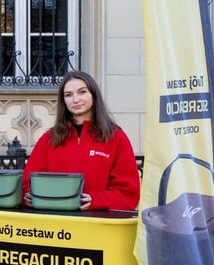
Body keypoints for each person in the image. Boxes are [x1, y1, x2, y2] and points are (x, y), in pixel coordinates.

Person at [22, 70, 140, 211]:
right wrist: (26, 196)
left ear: (93, 95)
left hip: (97, 220)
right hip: (54, 220)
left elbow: (128, 194)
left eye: (82, 92)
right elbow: (27, 184)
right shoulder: (49, 138)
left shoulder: (116, 138)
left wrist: (96, 200)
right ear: (63, 101)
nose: (75, 99)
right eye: (68, 95)